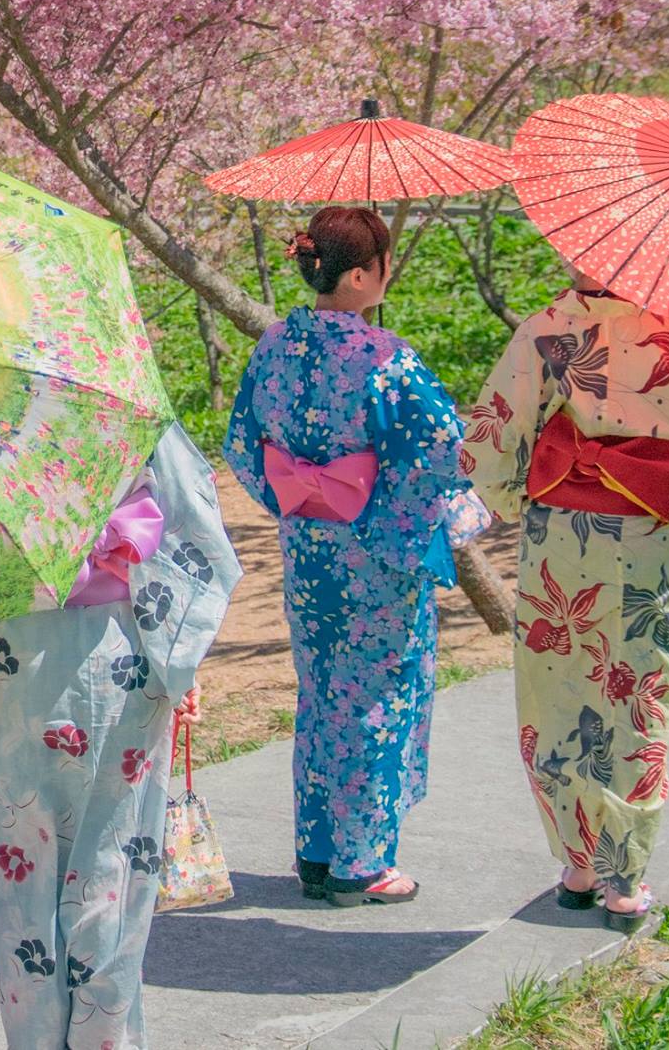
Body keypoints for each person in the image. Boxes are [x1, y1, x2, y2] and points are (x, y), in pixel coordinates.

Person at [462, 272, 669, 930]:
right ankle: (626, 880)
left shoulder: (547, 329)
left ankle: (577, 865)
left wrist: (519, 493)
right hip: (652, 533)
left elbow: (488, 440)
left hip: (560, 536)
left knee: (557, 689)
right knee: (640, 691)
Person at [224, 207, 485, 906]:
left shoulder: (274, 343)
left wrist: (295, 497)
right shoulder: (387, 358)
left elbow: (244, 443)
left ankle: (315, 851)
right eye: (385, 262)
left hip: (308, 548)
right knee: (375, 697)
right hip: (374, 552)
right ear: (364, 274)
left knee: (320, 693)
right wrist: (414, 526)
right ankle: (361, 862)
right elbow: (440, 446)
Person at [0, 424, 240, 1050]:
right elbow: (191, 530)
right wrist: (181, 659)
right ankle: (105, 1041)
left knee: (20, 875)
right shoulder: (119, 395)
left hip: (13, 657)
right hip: (122, 648)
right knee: (113, 870)